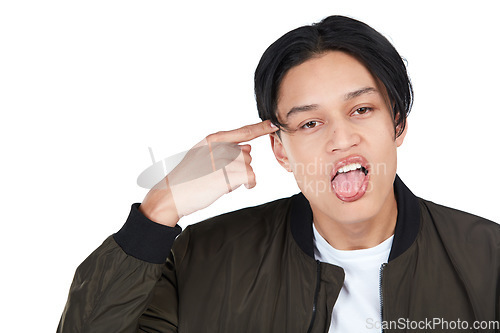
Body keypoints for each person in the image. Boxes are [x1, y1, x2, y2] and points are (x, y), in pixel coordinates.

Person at [57, 15, 500, 333]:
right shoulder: (205, 260)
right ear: (280, 150)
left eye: (361, 109)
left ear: (397, 125)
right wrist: (158, 212)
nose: (341, 139)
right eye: (310, 122)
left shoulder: (488, 260)